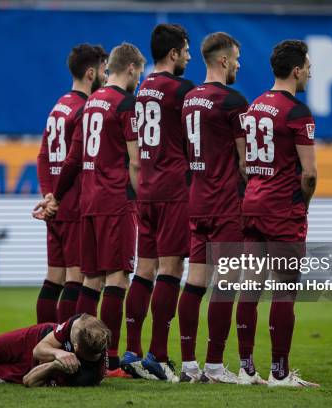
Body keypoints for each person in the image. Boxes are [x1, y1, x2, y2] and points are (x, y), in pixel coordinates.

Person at [34, 43, 145, 377]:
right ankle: (109, 359)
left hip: (87, 204)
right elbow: (136, 163)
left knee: (89, 280)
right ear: (130, 69)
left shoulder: (89, 105)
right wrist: (142, 202)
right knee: (117, 278)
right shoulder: (125, 104)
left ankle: (75, 350)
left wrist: (54, 195)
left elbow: (71, 159)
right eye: (139, 72)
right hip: (114, 201)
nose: (139, 78)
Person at [178, 32, 263, 385]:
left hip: (196, 201)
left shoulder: (189, 99)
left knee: (194, 283)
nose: (240, 64)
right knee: (224, 285)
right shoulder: (233, 101)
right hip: (226, 202)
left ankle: (188, 365)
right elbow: (246, 162)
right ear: (224, 61)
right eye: (238, 58)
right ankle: (214, 365)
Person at [240, 39, 319, 387]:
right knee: (285, 289)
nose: (311, 72)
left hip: (253, 203)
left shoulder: (255, 105)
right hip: (281, 209)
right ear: (297, 69)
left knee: (250, 287)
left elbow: (245, 162)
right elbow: (310, 174)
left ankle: (245, 370)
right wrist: (303, 205)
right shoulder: (297, 111)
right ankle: (280, 373)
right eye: (309, 66)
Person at [119, 24, 194, 383]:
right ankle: (158, 356)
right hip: (172, 189)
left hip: (145, 189)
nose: (190, 57)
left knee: (143, 272)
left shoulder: (143, 87)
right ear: (174, 53)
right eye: (186, 50)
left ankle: (131, 351)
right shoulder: (182, 91)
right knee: (171, 271)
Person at [35, 44, 108, 324]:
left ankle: (43, 338)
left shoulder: (59, 105)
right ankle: (66, 341)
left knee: (54, 277)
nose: (106, 74)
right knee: (77, 278)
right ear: (91, 73)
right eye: (103, 69)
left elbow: (43, 155)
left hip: (55, 207)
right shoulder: (84, 109)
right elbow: (73, 162)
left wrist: (48, 195)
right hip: (74, 205)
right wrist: (58, 197)